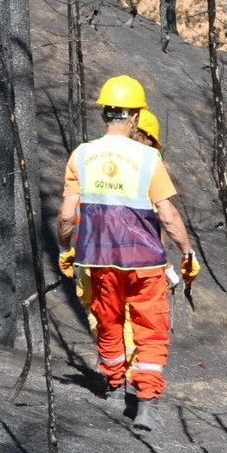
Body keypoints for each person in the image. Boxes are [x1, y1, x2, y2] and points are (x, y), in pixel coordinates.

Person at [57, 76, 198, 432]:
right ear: (134, 117)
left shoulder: (82, 154)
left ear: (105, 112)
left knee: (109, 321)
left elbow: (65, 214)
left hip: (97, 257)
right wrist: (187, 252)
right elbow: (167, 215)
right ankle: (146, 405)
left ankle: (115, 387)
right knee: (151, 329)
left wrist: (66, 249)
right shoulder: (149, 157)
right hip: (145, 261)